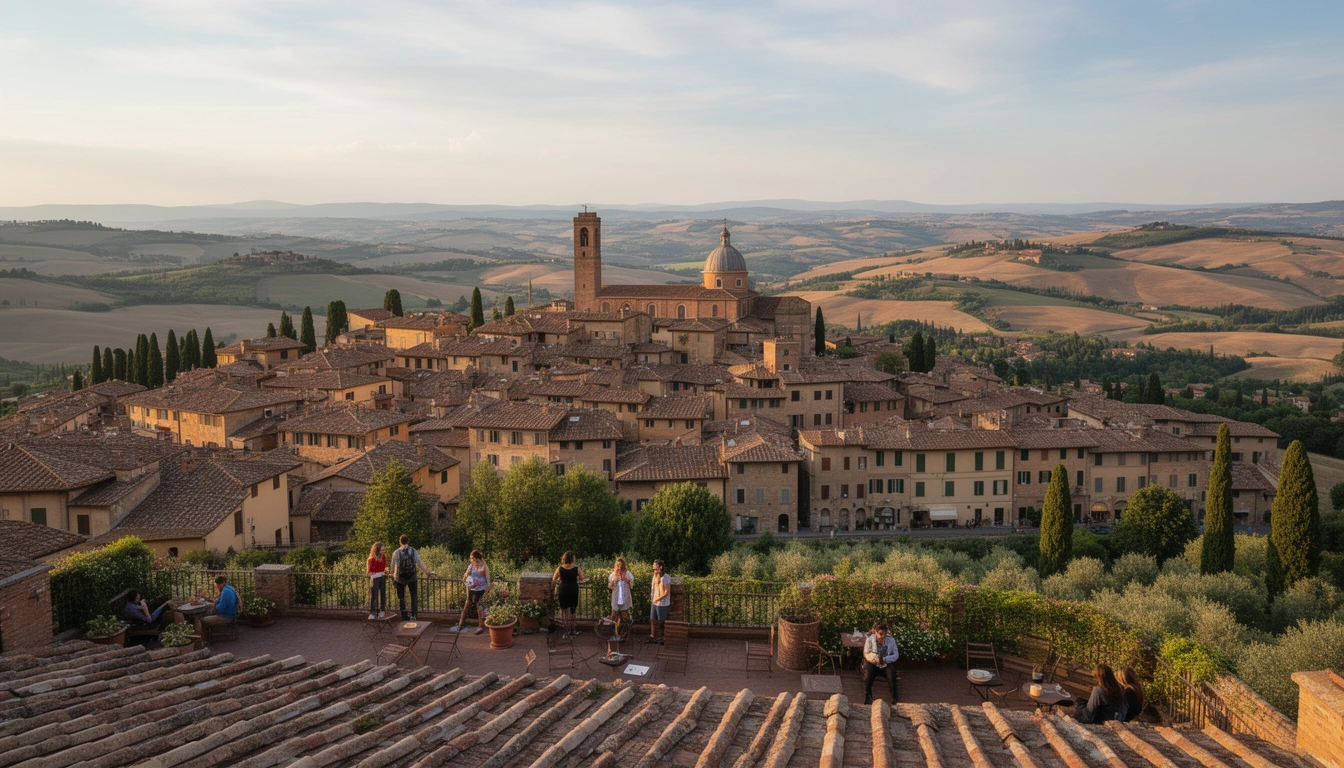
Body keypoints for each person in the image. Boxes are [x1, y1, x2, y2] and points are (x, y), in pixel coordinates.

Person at [391, 534, 435, 622]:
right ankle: (414, 615)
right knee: (413, 596)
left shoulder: (396, 552)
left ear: (400, 542)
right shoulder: (413, 550)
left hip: (400, 578)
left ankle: (404, 615)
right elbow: (419, 562)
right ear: (408, 541)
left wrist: (392, 574)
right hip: (412, 577)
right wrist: (427, 572)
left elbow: (393, 565)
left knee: (401, 598)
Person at [863, 621, 899, 705]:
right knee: (868, 675)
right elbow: (866, 653)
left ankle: (894, 699)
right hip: (874, 664)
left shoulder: (891, 640)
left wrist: (885, 659)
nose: (881, 636)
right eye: (879, 634)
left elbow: (896, 654)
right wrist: (876, 659)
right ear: (875, 632)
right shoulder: (869, 640)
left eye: (883, 634)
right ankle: (868, 697)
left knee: (892, 675)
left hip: (886, 664)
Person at [552, 551, 584, 638]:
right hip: (573, 588)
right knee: (573, 609)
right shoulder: (576, 568)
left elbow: (554, 578)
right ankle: (573, 630)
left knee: (564, 610)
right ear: (572, 558)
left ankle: (566, 631)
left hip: (563, 589)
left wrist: (561, 580)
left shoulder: (560, 568)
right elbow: (582, 578)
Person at [462, 550, 490, 634]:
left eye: (473, 557)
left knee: (479, 607)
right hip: (472, 589)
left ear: (477, 557)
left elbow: (487, 578)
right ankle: (460, 623)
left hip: (481, 589)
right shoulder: (471, 566)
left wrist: (488, 589)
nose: (472, 559)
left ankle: (480, 626)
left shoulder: (484, 566)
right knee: (467, 604)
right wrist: (469, 584)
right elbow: (465, 577)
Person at [607, 556, 634, 640]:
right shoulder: (613, 574)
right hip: (616, 597)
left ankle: (623, 634)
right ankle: (614, 633)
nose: (619, 567)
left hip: (624, 597)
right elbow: (609, 586)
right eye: (618, 565)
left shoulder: (627, 573)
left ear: (623, 565)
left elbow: (632, 584)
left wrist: (628, 580)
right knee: (614, 615)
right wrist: (612, 583)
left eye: (621, 565)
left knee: (624, 616)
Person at [649, 559, 671, 644]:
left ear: (660, 567)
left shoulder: (665, 577)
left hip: (662, 603)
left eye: (655, 566)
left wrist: (658, 599)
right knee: (652, 619)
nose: (654, 567)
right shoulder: (655, 576)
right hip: (654, 601)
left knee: (661, 621)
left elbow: (666, 592)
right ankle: (652, 636)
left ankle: (663, 638)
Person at [367, 542, 388, 620]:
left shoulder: (383, 557)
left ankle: (382, 610)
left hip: (381, 577)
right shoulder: (371, 559)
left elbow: (383, 567)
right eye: (381, 549)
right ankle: (372, 612)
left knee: (383, 594)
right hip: (375, 578)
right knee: (374, 596)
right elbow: (370, 571)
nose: (382, 550)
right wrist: (377, 573)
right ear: (377, 549)